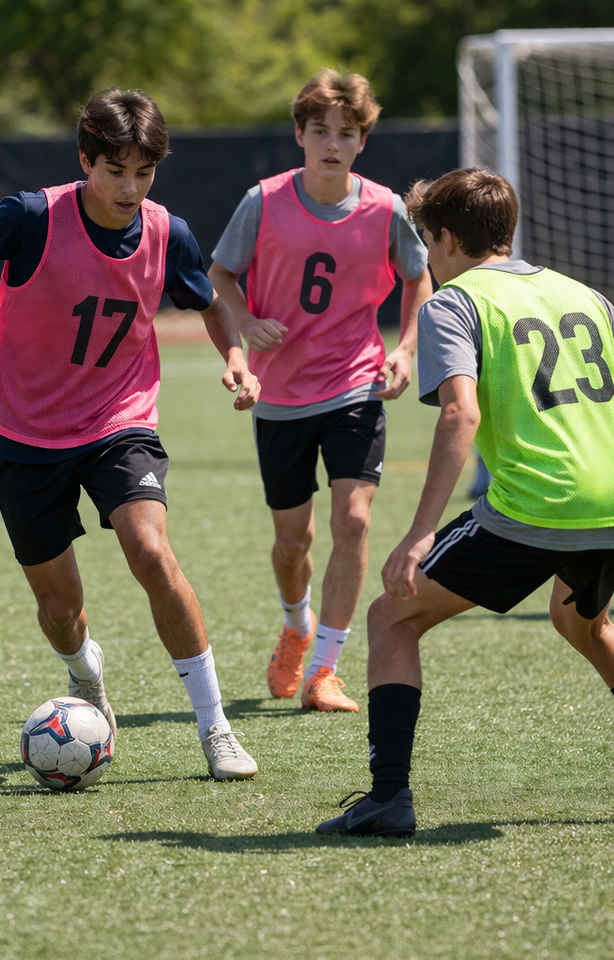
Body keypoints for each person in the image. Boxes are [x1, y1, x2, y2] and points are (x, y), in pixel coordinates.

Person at [316, 168, 614, 837]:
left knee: (391, 617)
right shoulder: (582, 294)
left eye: (427, 241)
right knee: (584, 625)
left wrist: (419, 533)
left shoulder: (452, 303)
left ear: (448, 239)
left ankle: (388, 796)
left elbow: (460, 415)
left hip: (540, 502)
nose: (427, 256)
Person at [0, 89, 261, 780]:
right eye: (115, 171)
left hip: (118, 422)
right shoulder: (31, 216)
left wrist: (234, 355)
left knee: (151, 551)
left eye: (144, 172)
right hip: (24, 433)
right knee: (60, 609)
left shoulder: (169, 233)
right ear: (85, 161)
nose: (130, 188)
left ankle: (215, 727)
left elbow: (209, 303)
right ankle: (84, 669)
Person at [209, 70, 433, 712]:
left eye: (346, 133)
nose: (333, 144)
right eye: (320, 131)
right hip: (279, 395)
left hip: (354, 386)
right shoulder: (263, 202)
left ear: (362, 140)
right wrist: (247, 322)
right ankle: (296, 624)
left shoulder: (386, 208)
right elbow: (220, 274)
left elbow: (418, 278)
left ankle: (325, 669)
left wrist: (405, 348)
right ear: (299, 135)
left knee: (354, 520)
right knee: (293, 543)